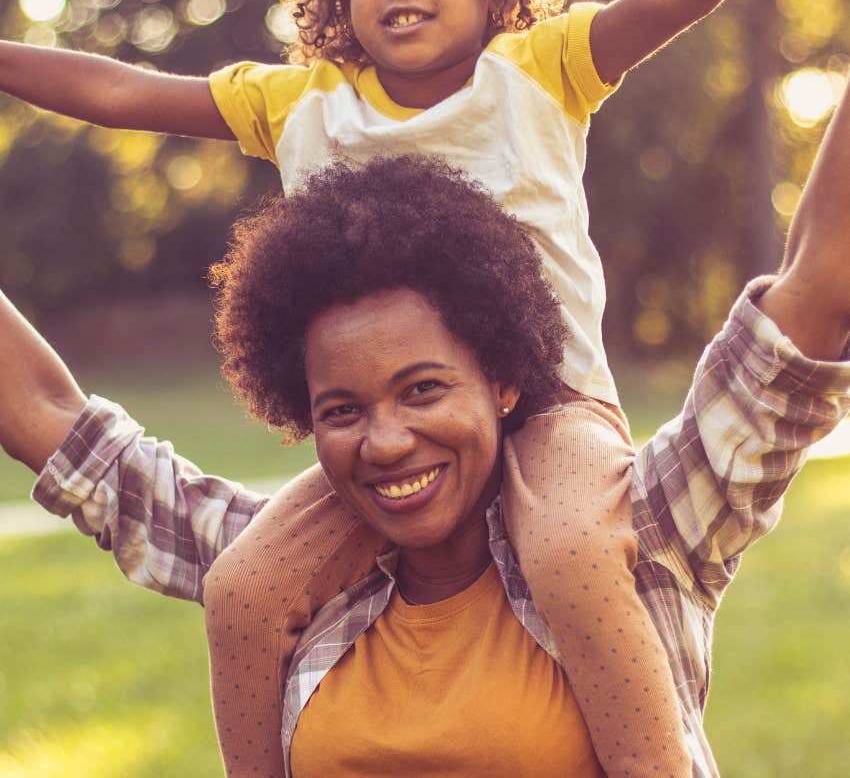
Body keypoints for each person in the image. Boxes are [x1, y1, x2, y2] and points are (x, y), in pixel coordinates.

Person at [0, 0, 844, 775]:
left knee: (573, 553)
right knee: (240, 587)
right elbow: (124, 92)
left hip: (562, 411)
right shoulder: (300, 103)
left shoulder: (538, 71)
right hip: (389, 437)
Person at [2, 129, 850, 777]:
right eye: (342, 409)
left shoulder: (637, 540)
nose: (386, 441)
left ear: (504, 378)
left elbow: (815, 289)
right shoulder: (284, 576)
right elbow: (56, 423)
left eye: (423, 390)